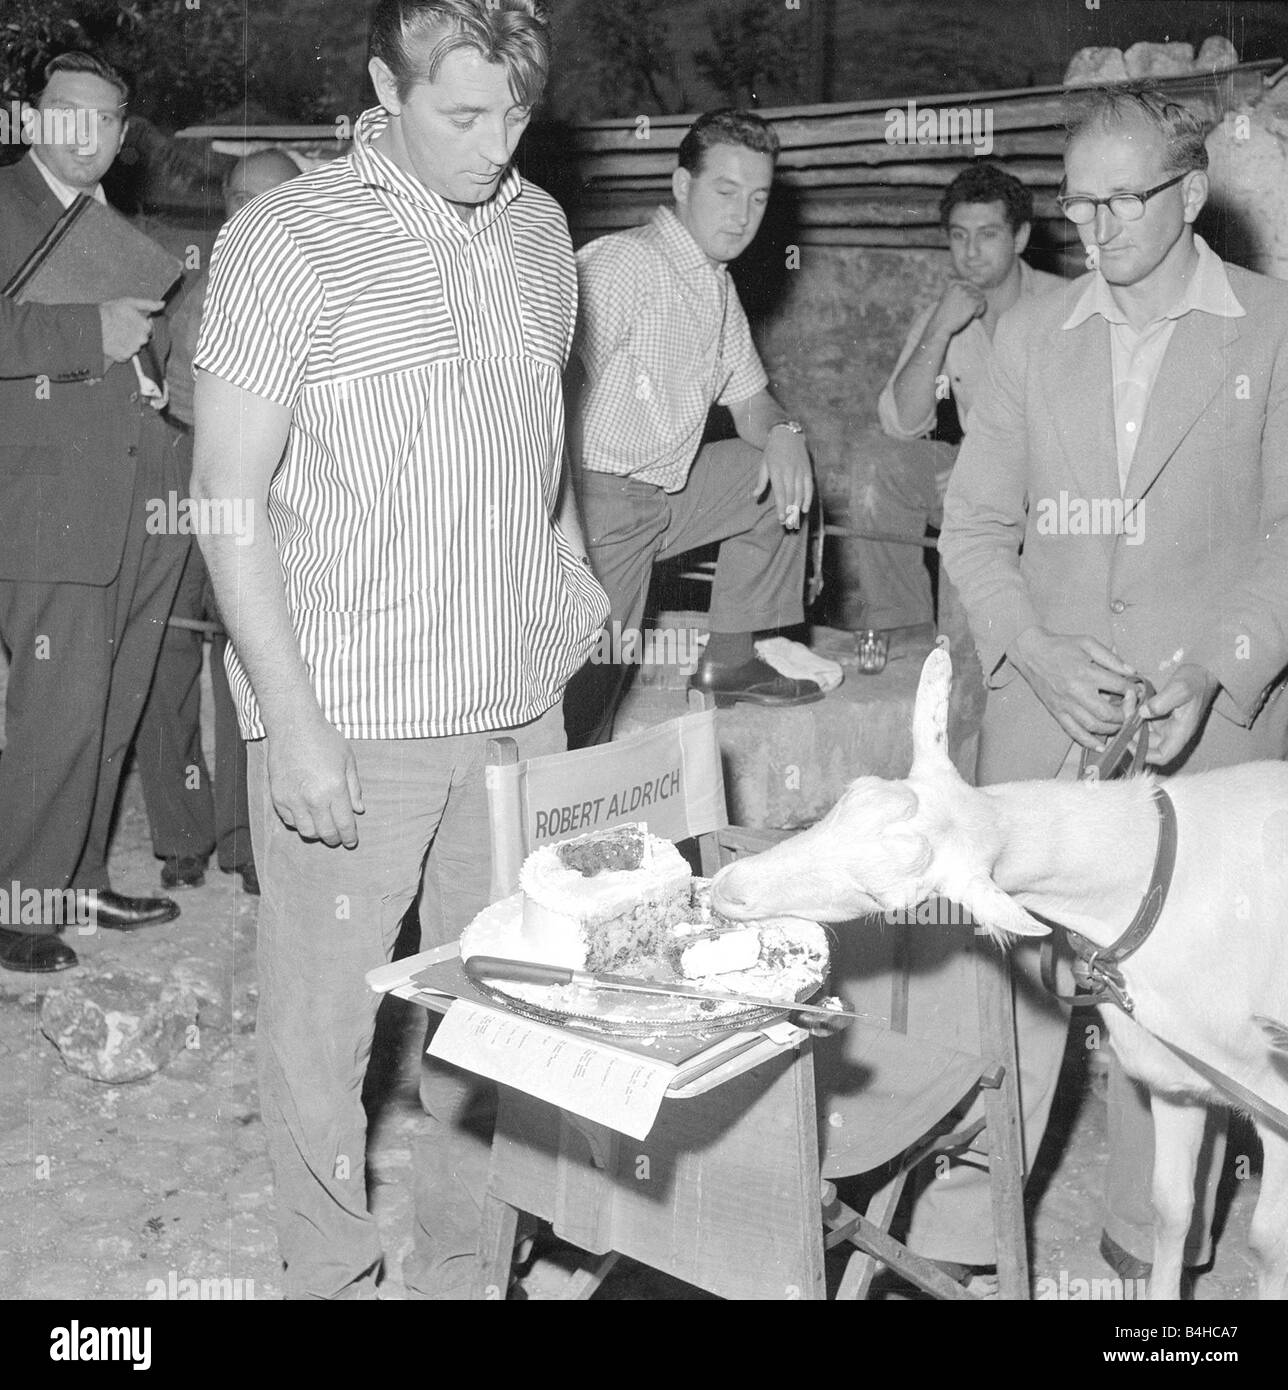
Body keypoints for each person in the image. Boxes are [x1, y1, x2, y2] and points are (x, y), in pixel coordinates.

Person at [191, 0, 607, 1299]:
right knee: (327, 1036)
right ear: (385, 83)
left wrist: (574, 587)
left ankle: (465, 1276)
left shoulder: (543, 232)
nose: (501, 144)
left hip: (513, 709)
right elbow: (225, 496)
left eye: (520, 114)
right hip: (354, 710)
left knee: (499, 1020)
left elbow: (545, 441)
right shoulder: (284, 240)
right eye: (464, 113)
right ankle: (329, 1273)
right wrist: (291, 721)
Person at [937, 85, 1288, 1285]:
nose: (1090, 226)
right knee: (1008, 1002)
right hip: (1048, 725)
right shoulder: (1032, 334)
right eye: (1074, 201)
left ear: (1190, 194)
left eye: (1119, 200)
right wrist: (1030, 650)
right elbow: (973, 529)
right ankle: (964, 1234)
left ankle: (1150, 1269)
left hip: (1207, 739)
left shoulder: (1273, 326)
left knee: (1176, 1020)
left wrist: (1218, 675)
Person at [0, 51, 187, 974]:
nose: (88, 133)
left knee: (112, 703)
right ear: (32, 118)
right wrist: (89, 335)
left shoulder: (114, 222)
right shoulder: (4, 206)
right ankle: (19, 900)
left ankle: (74, 877)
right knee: (56, 707)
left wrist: (152, 383)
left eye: (107, 117)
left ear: (121, 134)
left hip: (140, 483)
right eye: (68, 113)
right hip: (47, 496)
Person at [562, 108, 820, 749]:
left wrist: (786, 432)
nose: (742, 216)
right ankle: (553, 806)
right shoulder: (624, 264)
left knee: (772, 477)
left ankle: (729, 662)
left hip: (666, 496)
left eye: (758, 198)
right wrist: (556, 523)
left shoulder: (715, 285)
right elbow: (549, 396)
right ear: (682, 185)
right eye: (725, 192)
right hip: (597, 499)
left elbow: (753, 403)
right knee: (591, 681)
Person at [134, 151, 300, 896]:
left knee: (254, 661)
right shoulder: (185, 293)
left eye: (274, 200)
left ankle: (248, 837)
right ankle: (180, 836)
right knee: (165, 660)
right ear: (225, 209)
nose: (253, 215)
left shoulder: (320, 293)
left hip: (271, 486)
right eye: (240, 200)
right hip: (179, 476)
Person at [857, 163, 1064, 634]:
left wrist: (992, 477)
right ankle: (901, 633)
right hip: (977, 482)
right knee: (880, 466)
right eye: (958, 236)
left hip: (1056, 490)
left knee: (972, 619)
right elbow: (901, 423)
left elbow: (1094, 438)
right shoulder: (944, 314)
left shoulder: (1067, 307)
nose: (970, 253)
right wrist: (939, 328)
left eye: (988, 234)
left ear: (1020, 237)